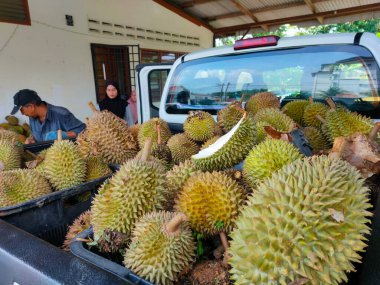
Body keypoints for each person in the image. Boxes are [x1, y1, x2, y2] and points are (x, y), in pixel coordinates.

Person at [10, 89, 86, 144]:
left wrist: (64, 135)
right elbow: (35, 136)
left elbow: (83, 131)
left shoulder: (61, 114)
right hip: (43, 159)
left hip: (62, 159)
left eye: (22, 110)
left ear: (31, 107)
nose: (22, 114)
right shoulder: (32, 118)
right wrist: (31, 139)